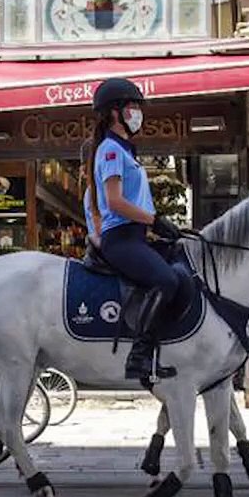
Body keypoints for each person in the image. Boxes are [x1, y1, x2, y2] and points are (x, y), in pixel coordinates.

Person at [82, 78, 183, 380]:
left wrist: (157, 229)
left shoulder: (124, 150)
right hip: (121, 240)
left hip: (136, 236)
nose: (138, 112)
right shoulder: (111, 150)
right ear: (115, 113)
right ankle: (139, 357)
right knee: (167, 281)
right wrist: (155, 221)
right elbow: (114, 202)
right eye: (133, 106)